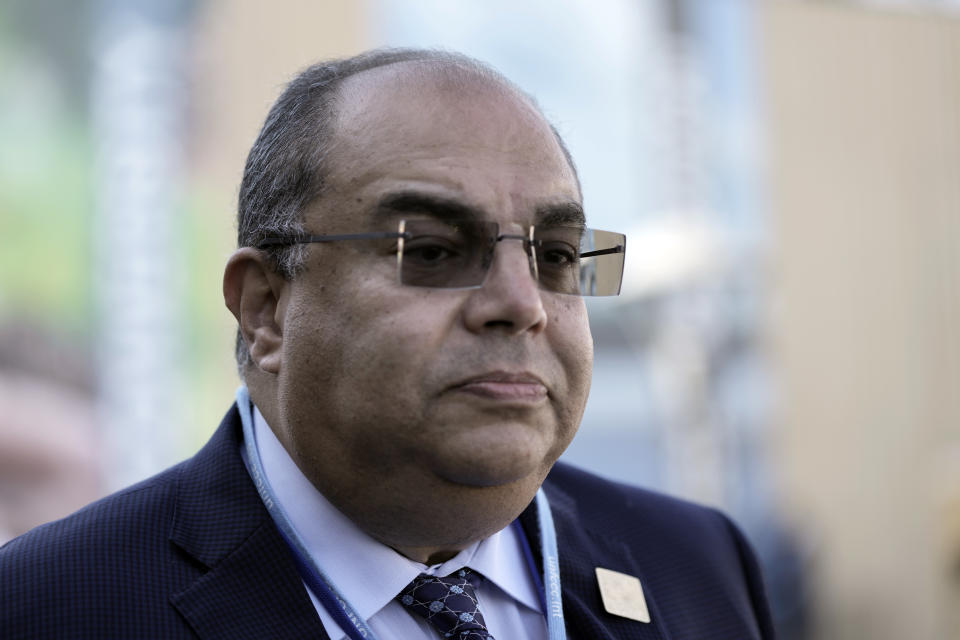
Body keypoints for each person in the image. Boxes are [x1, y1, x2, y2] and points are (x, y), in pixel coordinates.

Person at [0, 48, 774, 639]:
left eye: (557, 257)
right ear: (267, 309)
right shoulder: (49, 606)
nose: (520, 304)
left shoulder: (697, 565)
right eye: (433, 251)